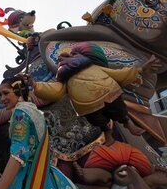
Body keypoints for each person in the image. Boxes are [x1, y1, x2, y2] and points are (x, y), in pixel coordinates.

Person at [31, 42, 161, 145]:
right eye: (62, 59)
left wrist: (142, 69)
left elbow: (119, 74)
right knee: (97, 120)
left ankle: (128, 123)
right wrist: (36, 86)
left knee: (119, 109)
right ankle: (107, 133)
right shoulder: (65, 81)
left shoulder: (94, 68)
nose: (64, 59)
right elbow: (55, 91)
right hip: (88, 107)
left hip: (110, 94)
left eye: (69, 56)